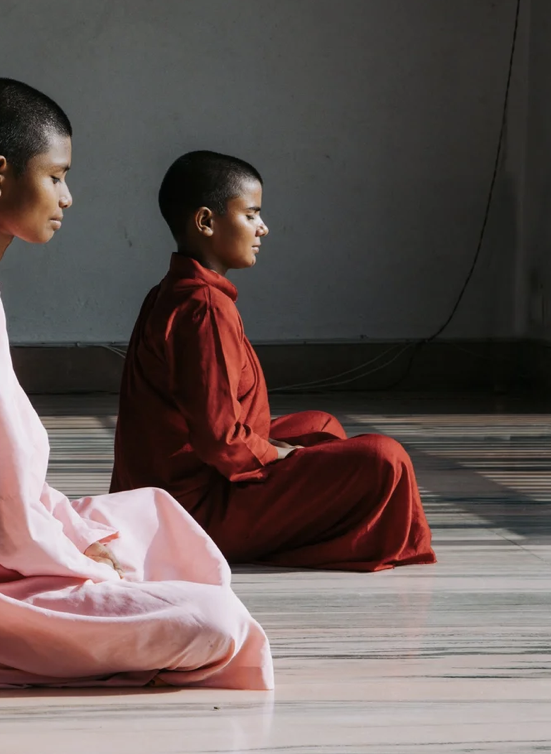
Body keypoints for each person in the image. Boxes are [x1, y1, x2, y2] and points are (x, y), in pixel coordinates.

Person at [0, 80, 273, 689]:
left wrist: (77, 538)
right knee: (216, 623)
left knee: (153, 514)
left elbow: (2, 484)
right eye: (56, 176)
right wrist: (80, 561)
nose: (68, 196)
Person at [111, 150, 435, 571]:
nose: (263, 228)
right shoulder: (204, 307)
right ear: (206, 222)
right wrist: (279, 457)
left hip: (163, 495)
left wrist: (281, 450)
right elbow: (219, 440)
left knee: (319, 426)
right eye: (251, 214)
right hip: (193, 513)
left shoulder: (171, 291)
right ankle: (311, 535)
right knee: (384, 460)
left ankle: (302, 520)